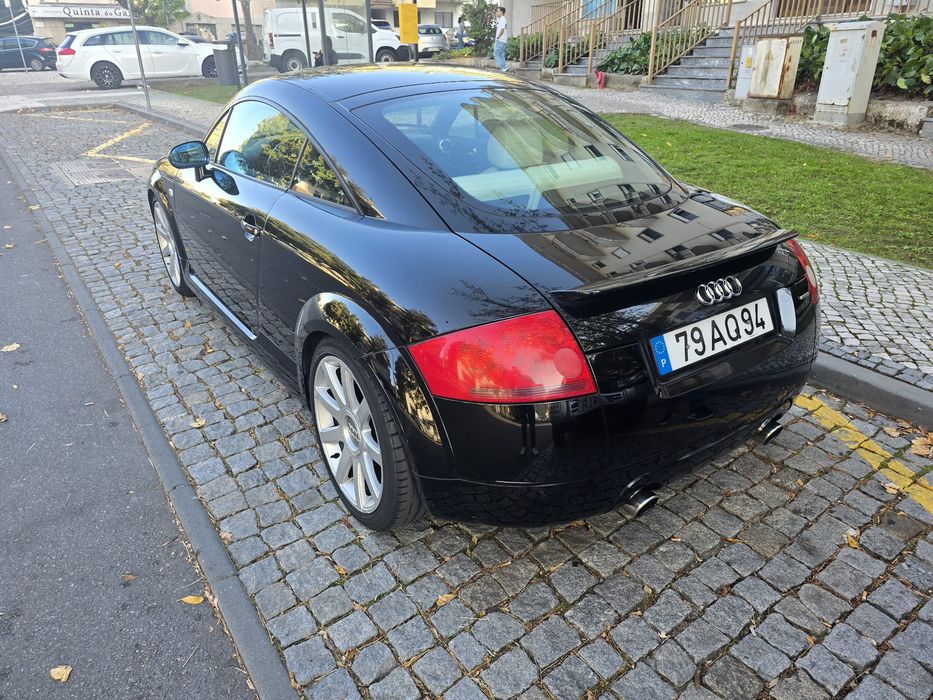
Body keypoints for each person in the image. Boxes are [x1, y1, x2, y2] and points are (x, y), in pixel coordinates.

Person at [493, 6, 508, 72]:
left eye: (497, 11)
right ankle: (504, 67)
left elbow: (502, 29)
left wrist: (498, 37)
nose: (496, 13)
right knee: (501, 54)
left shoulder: (502, 19)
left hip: (500, 40)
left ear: (501, 12)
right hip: (503, 40)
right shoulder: (503, 19)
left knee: (496, 54)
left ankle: (503, 68)